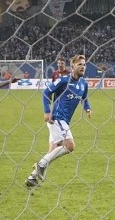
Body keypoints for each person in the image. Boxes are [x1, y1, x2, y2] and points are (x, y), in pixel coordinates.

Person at [25, 54, 91, 187]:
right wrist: (47, 111)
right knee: (70, 146)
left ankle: (32, 178)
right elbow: (46, 93)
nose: (83, 67)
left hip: (65, 120)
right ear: (72, 66)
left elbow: (84, 98)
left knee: (53, 151)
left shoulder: (84, 83)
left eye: (84, 64)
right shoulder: (63, 80)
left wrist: (87, 109)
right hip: (56, 118)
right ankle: (41, 165)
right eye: (80, 64)